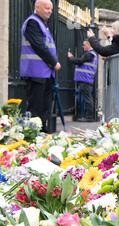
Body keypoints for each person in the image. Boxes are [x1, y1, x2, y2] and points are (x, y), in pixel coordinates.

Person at [20, 0, 61, 133]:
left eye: (51, 9)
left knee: (44, 108)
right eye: (46, 8)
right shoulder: (33, 22)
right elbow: (39, 46)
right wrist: (54, 62)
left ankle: (43, 132)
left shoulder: (42, 24)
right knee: (35, 109)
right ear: (37, 7)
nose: (49, 11)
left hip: (45, 73)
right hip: (36, 73)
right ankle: (34, 135)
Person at [68, 40, 98, 122]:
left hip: (85, 80)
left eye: (84, 45)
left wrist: (71, 57)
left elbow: (79, 61)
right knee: (81, 98)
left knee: (87, 99)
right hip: (84, 80)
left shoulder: (90, 54)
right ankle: (76, 112)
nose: (83, 46)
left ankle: (89, 117)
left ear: (89, 45)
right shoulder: (90, 55)